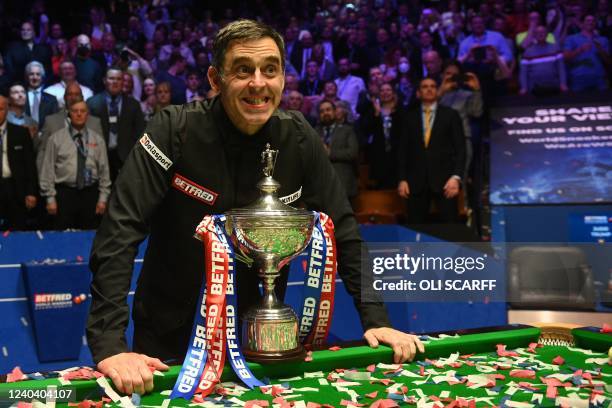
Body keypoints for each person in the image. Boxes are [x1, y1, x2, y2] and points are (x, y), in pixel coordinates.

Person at [88, 19, 424, 396]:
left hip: (264, 342)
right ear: (215, 80)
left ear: (283, 78)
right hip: (168, 341)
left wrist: (376, 319)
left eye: (270, 70)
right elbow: (120, 230)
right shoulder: (172, 129)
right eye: (243, 70)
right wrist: (111, 346)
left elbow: (343, 231)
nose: (258, 83)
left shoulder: (299, 137)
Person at [397, 78, 465, 225]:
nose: (429, 89)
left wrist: (456, 177)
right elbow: (402, 151)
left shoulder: (451, 115)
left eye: (433, 86)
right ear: (418, 93)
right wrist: (402, 179)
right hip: (415, 183)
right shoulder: (409, 118)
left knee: (450, 229)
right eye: (425, 87)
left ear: (437, 91)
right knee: (415, 232)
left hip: (446, 182)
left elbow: (461, 149)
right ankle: (419, 250)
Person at [39, 100, 110, 230]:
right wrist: (50, 198)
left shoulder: (97, 139)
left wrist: (103, 198)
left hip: (90, 194)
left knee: (89, 237)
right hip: (64, 194)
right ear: (69, 114)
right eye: (75, 111)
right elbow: (47, 170)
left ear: (87, 114)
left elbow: (104, 171)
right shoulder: (56, 139)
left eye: (82, 111)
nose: (79, 114)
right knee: (63, 238)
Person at [87, 67, 145, 182]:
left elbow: (140, 133)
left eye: (118, 79)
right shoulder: (92, 102)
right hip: (99, 157)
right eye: (111, 78)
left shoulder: (133, 105)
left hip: (125, 159)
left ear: (123, 82)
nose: (115, 82)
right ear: (104, 80)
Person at [39, 83, 103, 171]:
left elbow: (101, 154)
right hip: (60, 179)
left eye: (77, 94)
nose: (73, 98)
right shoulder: (51, 122)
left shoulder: (94, 123)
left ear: (82, 97)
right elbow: (43, 152)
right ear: (64, 97)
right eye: (70, 94)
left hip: (90, 178)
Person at [0, 96, 38, 230]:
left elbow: (30, 165)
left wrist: (31, 192)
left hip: (15, 189)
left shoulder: (20, 132)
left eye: (1, 109)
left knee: (17, 229)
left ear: (7, 110)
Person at [315, 100, 359, 200]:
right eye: (322, 111)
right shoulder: (314, 131)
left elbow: (353, 153)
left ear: (335, 112)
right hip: (321, 186)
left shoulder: (347, 130)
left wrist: (330, 153)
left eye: (328, 110)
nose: (325, 113)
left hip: (343, 184)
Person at [563, 14, 610, 92]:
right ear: (582, 23)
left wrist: (601, 49)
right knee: (577, 103)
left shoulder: (603, 40)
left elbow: (609, 61)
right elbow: (565, 57)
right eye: (588, 20)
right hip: (578, 78)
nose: (590, 23)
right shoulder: (571, 38)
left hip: (599, 78)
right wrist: (580, 50)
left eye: (593, 21)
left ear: (595, 24)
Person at [520, 26, 568, 95]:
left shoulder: (555, 48)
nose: (540, 34)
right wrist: (524, 88)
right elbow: (523, 72)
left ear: (547, 34)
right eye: (537, 33)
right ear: (534, 35)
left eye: (543, 32)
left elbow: (561, 68)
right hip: (535, 89)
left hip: (554, 86)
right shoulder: (527, 52)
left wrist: (563, 84)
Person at [24, 61, 58, 129]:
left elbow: (54, 123)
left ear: (42, 77)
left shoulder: (51, 100)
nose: (35, 77)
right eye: (31, 74)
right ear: (27, 77)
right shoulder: (20, 97)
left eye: (38, 74)